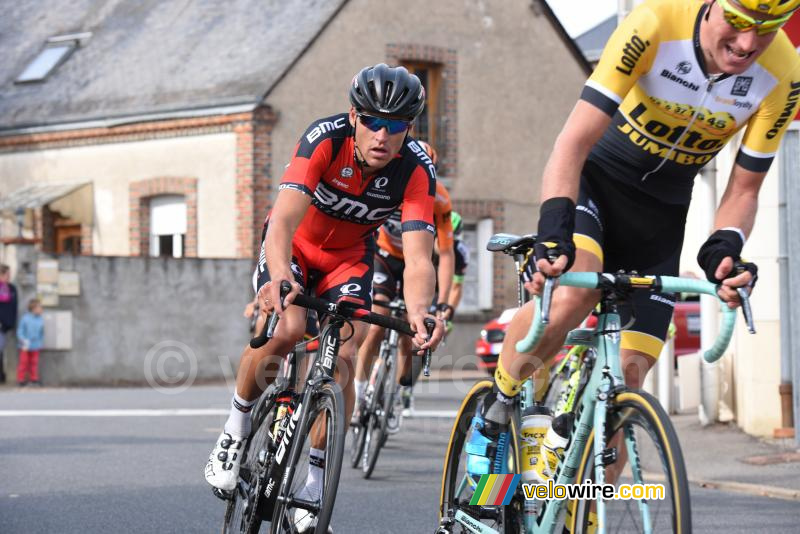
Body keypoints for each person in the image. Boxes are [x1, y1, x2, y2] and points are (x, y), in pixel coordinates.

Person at [466, 0, 800, 482]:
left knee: (628, 385)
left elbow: (743, 189)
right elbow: (573, 142)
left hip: (660, 217)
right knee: (576, 294)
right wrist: (555, 226)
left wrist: (725, 246)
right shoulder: (654, 24)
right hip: (597, 186)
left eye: (766, 30)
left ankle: (578, 505)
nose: (748, 44)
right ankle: (496, 406)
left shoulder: (783, 73)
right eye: (740, 23)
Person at [205, 63, 444, 526]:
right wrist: (278, 278)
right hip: (293, 248)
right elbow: (283, 221)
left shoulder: (416, 168)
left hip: (348, 258)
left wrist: (420, 312)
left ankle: (314, 482)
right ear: (354, 116)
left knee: (346, 355)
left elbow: (419, 258)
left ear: (408, 129)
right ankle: (235, 428)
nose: (382, 134)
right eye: (372, 121)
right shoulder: (324, 139)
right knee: (290, 328)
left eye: (395, 126)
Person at [354, 140, 455, 428]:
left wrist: (444, 302)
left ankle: (397, 396)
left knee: (409, 336)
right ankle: (360, 396)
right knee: (377, 324)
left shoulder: (440, 199)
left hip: (418, 260)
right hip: (385, 256)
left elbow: (446, 254)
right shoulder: (389, 181)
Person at [447, 211, 470, 327]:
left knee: (446, 324)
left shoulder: (460, 252)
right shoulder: (425, 244)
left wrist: (449, 310)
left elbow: (456, 287)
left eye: (451, 235)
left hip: (441, 289)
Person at [16, 298, 44, 387]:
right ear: (33, 308)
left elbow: (42, 332)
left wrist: (40, 342)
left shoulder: (40, 319)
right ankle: (21, 379)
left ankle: (34, 379)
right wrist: (23, 339)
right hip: (25, 345)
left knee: (34, 363)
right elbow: (20, 331)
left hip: (36, 345)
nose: (41, 309)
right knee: (23, 362)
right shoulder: (25, 318)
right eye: (39, 308)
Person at [0, 264, 18, 384]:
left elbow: (14, 305)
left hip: (6, 324)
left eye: (9, 274)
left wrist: (11, 321)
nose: (9, 276)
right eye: (6, 274)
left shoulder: (12, 288)